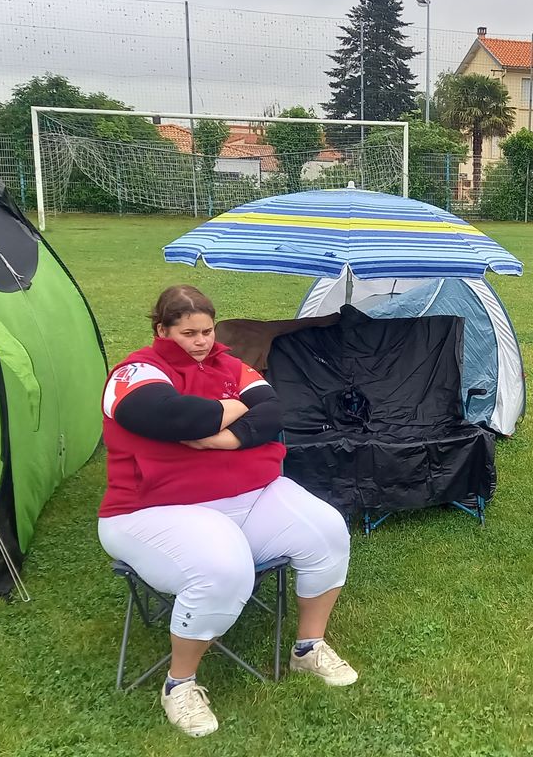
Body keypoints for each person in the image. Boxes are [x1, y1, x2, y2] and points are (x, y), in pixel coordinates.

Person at [98, 285, 356, 738]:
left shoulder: (231, 365)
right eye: (188, 333)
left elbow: (272, 412)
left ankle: (308, 648)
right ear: (162, 329)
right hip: (152, 509)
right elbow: (171, 416)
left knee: (327, 531)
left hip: (252, 494)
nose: (201, 341)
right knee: (222, 568)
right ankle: (179, 684)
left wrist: (225, 434)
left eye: (207, 331)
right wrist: (234, 407)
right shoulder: (136, 371)